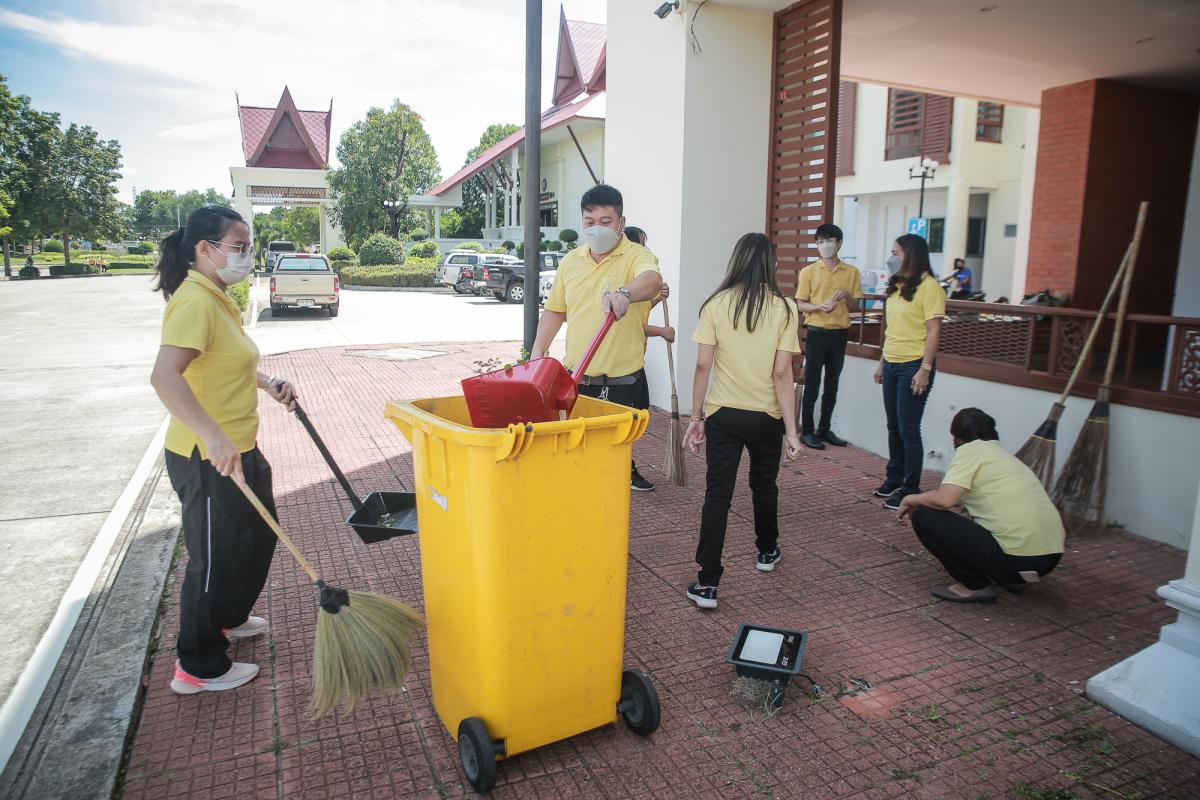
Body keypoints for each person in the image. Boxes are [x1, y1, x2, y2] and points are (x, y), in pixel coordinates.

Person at [149, 205, 297, 695]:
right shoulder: (194, 301)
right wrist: (212, 435)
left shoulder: (217, 297)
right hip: (207, 456)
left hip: (240, 446)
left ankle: (229, 619)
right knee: (213, 558)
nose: (246, 256)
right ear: (204, 249)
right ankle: (197, 664)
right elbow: (165, 377)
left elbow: (226, 363)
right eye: (238, 247)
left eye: (247, 246)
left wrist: (268, 382)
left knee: (258, 537)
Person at [683, 233, 802, 610]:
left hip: (723, 414)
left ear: (735, 261)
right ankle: (767, 552)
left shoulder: (715, 305)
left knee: (718, 494)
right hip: (766, 416)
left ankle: (707, 584)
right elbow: (783, 375)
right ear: (771, 264)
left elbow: (703, 365)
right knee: (764, 485)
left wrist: (696, 417)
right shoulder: (785, 309)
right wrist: (792, 432)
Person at [531, 184, 664, 492]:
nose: (597, 229)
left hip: (620, 385)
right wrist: (538, 352)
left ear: (620, 222)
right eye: (590, 223)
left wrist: (624, 294)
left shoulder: (636, 255)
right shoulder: (571, 261)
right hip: (576, 382)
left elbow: (653, 281)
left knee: (612, 468)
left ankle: (608, 526)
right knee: (574, 461)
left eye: (605, 222)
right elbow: (555, 312)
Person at [898, 408, 1064, 603]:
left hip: (1017, 561)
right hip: (1049, 559)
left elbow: (945, 500)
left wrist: (912, 499)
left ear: (955, 438)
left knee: (923, 514)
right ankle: (1009, 578)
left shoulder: (970, 451)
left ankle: (975, 586)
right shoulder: (1005, 456)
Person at [873, 234, 944, 510]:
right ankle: (893, 477)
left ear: (911, 254)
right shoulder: (898, 286)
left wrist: (924, 369)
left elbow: (934, 330)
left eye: (897, 252)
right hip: (892, 363)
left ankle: (910, 487)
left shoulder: (930, 287)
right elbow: (892, 330)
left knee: (909, 429)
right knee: (894, 426)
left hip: (914, 365)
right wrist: (882, 363)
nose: (893, 258)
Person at [794, 223, 862, 450]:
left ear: (839, 243)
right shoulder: (808, 272)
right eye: (820, 242)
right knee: (812, 383)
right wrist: (817, 307)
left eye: (828, 241)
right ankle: (808, 431)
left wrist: (847, 296)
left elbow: (856, 306)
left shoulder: (851, 272)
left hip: (839, 333)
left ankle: (825, 429)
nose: (824, 245)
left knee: (832, 383)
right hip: (816, 333)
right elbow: (800, 302)